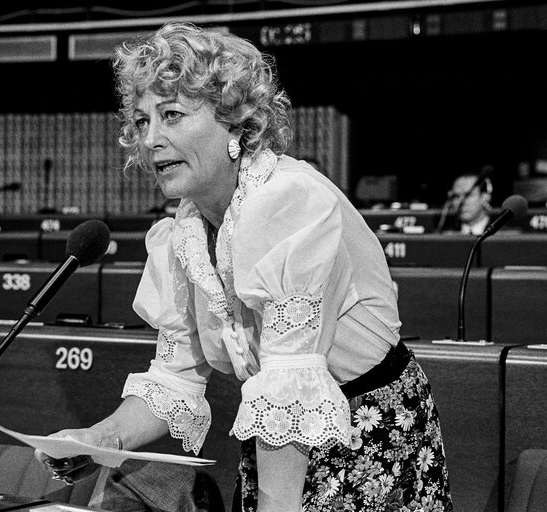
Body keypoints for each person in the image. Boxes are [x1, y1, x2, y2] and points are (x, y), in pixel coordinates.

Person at [40, 22, 454, 512]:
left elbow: (290, 382)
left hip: (370, 432)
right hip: (277, 439)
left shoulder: (289, 201)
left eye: (171, 115)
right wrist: (101, 436)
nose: (150, 139)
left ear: (235, 123)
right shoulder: (184, 232)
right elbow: (176, 378)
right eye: (142, 121)